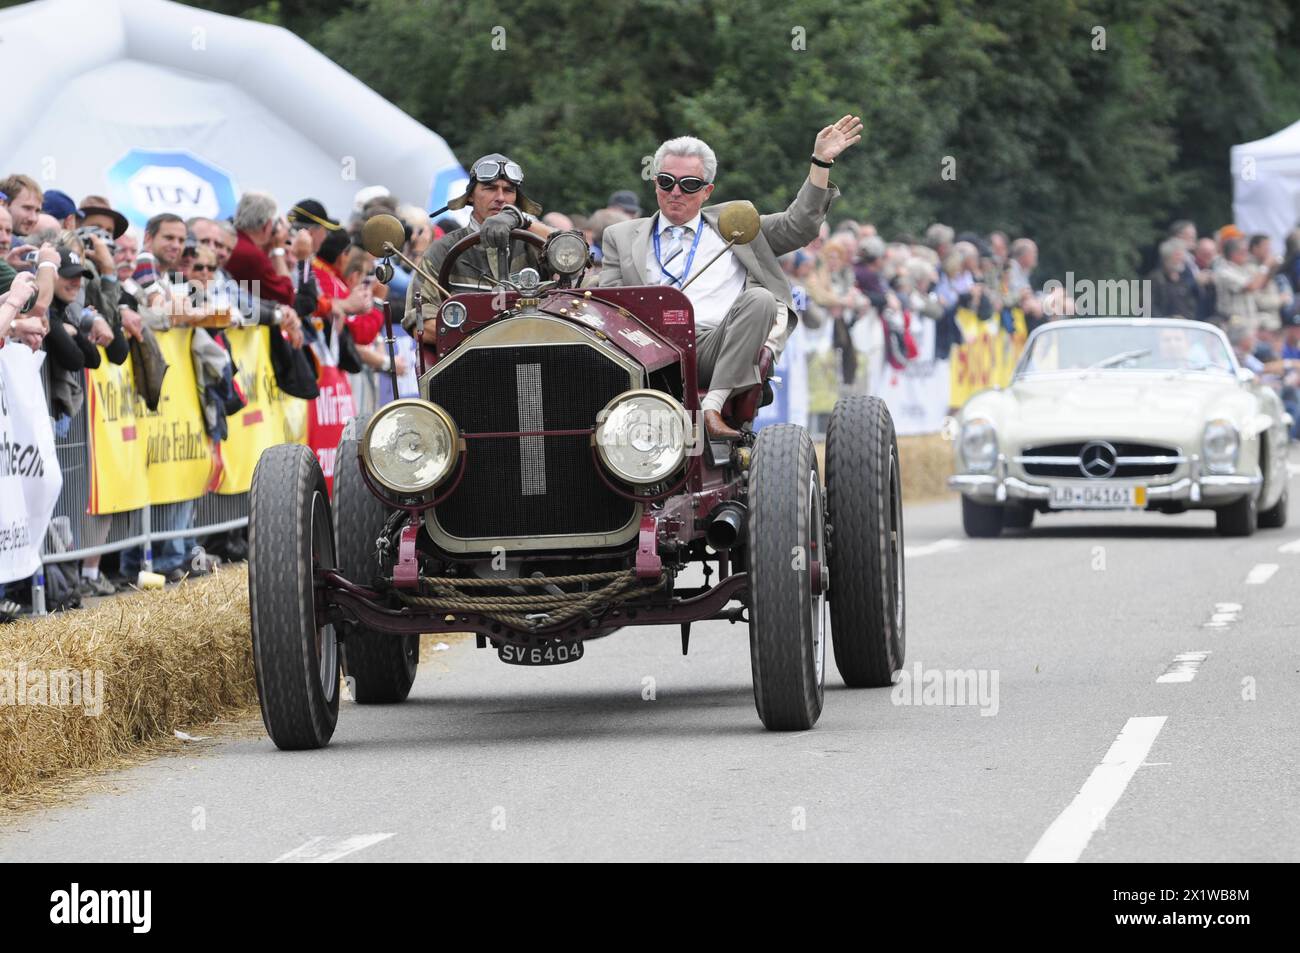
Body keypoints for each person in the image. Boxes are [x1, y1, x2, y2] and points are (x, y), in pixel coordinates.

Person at [600, 116, 859, 437]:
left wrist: (820, 163)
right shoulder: (620, 235)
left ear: (707, 191)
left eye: (689, 185)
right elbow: (607, 304)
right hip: (645, 349)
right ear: (654, 182)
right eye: (666, 181)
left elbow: (799, 226)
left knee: (761, 300)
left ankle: (714, 408)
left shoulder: (737, 224)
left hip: (715, 346)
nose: (675, 192)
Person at [404, 153, 555, 340]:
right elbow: (421, 325)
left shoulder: (532, 244)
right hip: (469, 363)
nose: (500, 198)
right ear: (470, 197)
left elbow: (575, 254)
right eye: (490, 188)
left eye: (508, 190)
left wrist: (523, 221)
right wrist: (488, 338)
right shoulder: (442, 251)